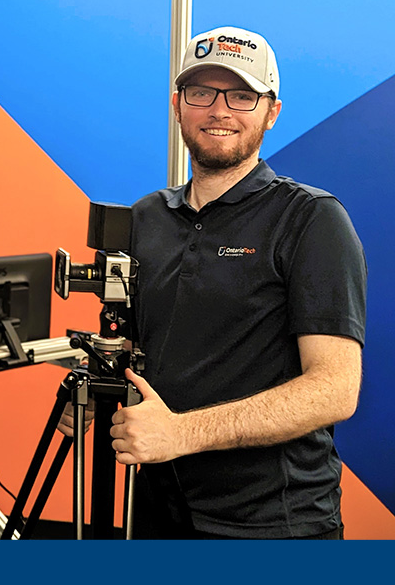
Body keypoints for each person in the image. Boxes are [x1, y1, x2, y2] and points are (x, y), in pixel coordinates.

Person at [59, 27, 367, 539]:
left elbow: (335, 389)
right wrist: (96, 385)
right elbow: (134, 342)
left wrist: (182, 432)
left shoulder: (312, 219)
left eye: (242, 95)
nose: (219, 110)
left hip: (272, 522)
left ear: (271, 111)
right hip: (155, 503)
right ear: (179, 106)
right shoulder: (146, 216)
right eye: (201, 93)